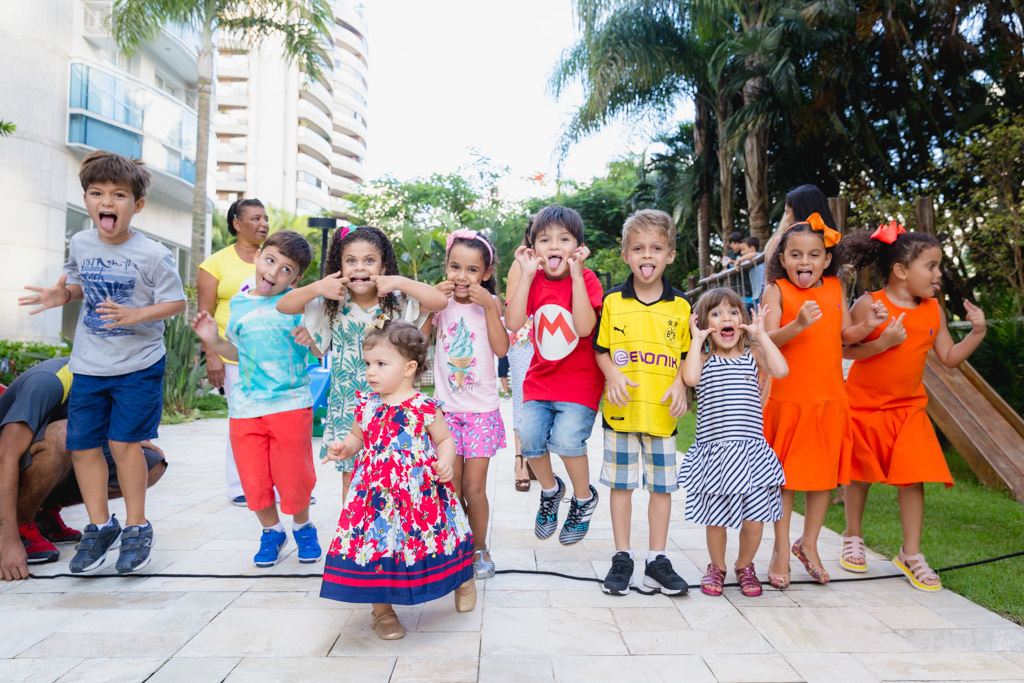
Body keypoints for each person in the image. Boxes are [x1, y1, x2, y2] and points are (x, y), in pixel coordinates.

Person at [19, 151, 186, 574]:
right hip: (90, 362)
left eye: (119, 195)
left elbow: (175, 302)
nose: (106, 202)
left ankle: (136, 526)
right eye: (97, 193)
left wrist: (136, 315)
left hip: (138, 363)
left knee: (124, 443)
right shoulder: (81, 241)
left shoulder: (153, 254)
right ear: (87, 199)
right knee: (81, 445)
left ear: (137, 205)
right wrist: (64, 295)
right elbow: (77, 283)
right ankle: (98, 526)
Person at [839, 224, 987, 591]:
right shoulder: (869, 303)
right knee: (860, 472)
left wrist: (977, 332)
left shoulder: (933, 310)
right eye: (931, 266)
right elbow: (843, 350)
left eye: (939, 267)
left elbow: (949, 358)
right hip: (864, 406)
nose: (939, 275)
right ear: (901, 271)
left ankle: (911, 553)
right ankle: (853, 535)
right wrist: (884, 343)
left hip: (908, 409)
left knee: (913, 475)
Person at [320, 321, 476, 641]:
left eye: (380, 364)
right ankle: (382, 610)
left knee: (440, 538)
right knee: (375, 547)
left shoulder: (423, 406)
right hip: (374, 496)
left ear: (409, 368)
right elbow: (356, 437)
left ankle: (463, 580)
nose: (370, 372)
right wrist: (343, 447)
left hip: (419, 492)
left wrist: (445, 462)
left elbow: (445, 440)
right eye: (367, 364)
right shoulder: (366, 404)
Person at [761, 213, 886, 587]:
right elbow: (765, 342)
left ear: (826, 260)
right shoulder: (776, 290)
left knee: (821, 481)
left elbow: (844, 336)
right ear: (782, 259)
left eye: (814, 255)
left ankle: (809, 545)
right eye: (796, 255)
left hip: (830, 399)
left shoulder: (834, 289)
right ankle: (781, 549)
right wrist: (797, 324)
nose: (805, 262)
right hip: (788, 400)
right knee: (783, 482)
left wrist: (869, 325)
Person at [277, 226, 446, 500]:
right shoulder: (332, 303)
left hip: (393, 406)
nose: (360, 268)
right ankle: (353, 538)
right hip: (349, 407)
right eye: (351, 261)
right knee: (352, 478)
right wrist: (319, 286)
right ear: (339, 266)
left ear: (384, 265)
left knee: (395, 476)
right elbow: (284, 305)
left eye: (369, 260)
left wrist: (399, 282)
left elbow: (439, 301)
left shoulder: (397, 302)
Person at [191, 230, 324, 568]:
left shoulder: (299, 305)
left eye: (286, 270)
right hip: (246, 409)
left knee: (294, 476)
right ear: (257, 256)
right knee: (253, 478)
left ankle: (302, 527)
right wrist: (213, 341)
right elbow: (237, 350)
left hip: (291, 405)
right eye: (270, 261)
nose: (273, 272)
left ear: (297, 278)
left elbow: (321, 350)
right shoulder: (238, 303)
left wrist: (312, 338)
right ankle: (272, 531)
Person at [593, 209, 691, 596]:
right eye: (638, 248)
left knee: (661, 489)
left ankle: (656, 560)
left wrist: (683, 385)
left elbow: (686, 357)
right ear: (625, 255)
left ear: (670, 254)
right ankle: (622, 557)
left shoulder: (681, 307)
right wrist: (613, 374)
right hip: (621, 413)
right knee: (621, 486)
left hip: (663, 415)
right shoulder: (614, 301)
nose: (646, 255)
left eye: (656, 248)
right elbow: (601, 351)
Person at [0, 357, 167, 579]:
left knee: (150, 462)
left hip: (47, 461)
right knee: (66, 434)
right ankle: (20, 527)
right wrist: (7, 540)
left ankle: (45, 513)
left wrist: (131, 443)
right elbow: (6, 456)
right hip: (9, 470)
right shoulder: (49, 382)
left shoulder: (117, 377)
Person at [678, 289, 789, 597]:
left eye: (732, 312)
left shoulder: (752, 356)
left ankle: (744, 565)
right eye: (716, 314)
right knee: (717, 521)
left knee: (754, 521)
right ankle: (717, 566)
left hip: (751, 454)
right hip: (716, 455)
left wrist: (762, 335)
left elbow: (781, 370)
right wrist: (696, 340)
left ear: (742, 320)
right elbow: (689, 379)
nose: (725, 318)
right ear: (704, 323)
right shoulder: (703, 358)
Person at [505, 204, 604, 545]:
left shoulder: (587, 280)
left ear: (578, 248)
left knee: (565, 440)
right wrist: (526, 275)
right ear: (533, 249)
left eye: (564, 238)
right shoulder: (534, 280)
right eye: (544, 239)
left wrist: (576, 276)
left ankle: (583, 499)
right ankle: (551, 491)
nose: (554, 246)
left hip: (579, 382)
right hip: (541, 378)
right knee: (529, 437)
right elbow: (514, 323)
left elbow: (584, 326)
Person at [421, 230, 508, 580]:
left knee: (474, 487)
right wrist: (429, 306)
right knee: (450, 485)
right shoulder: (440, 305)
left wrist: (489, 305)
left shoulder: (490, 304)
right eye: (455, 267)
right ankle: (455, 545)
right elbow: (417, 341)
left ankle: (480, 547)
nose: (461, 276)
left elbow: (501, 349)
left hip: (481, 413)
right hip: (445, 412)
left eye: (472, 270)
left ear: (485, 274)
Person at [197, 198, 267, 505]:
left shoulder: (274, 258)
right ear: (237, 224)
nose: (263, 224)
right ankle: (240, 485)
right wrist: (212, 355)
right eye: (255, 218)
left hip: (271, 355)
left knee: (274, 419)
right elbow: (204, 314)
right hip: (232, 355)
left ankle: (275, 487)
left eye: (265, 218)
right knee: (241, 419)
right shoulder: (215, 263)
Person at [505, 219, 537, 492]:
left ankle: (538, 458)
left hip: (554, 340)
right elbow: (511, 306)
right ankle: (520, 461)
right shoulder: (520, 263)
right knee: (522, 400)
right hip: (525, 340)